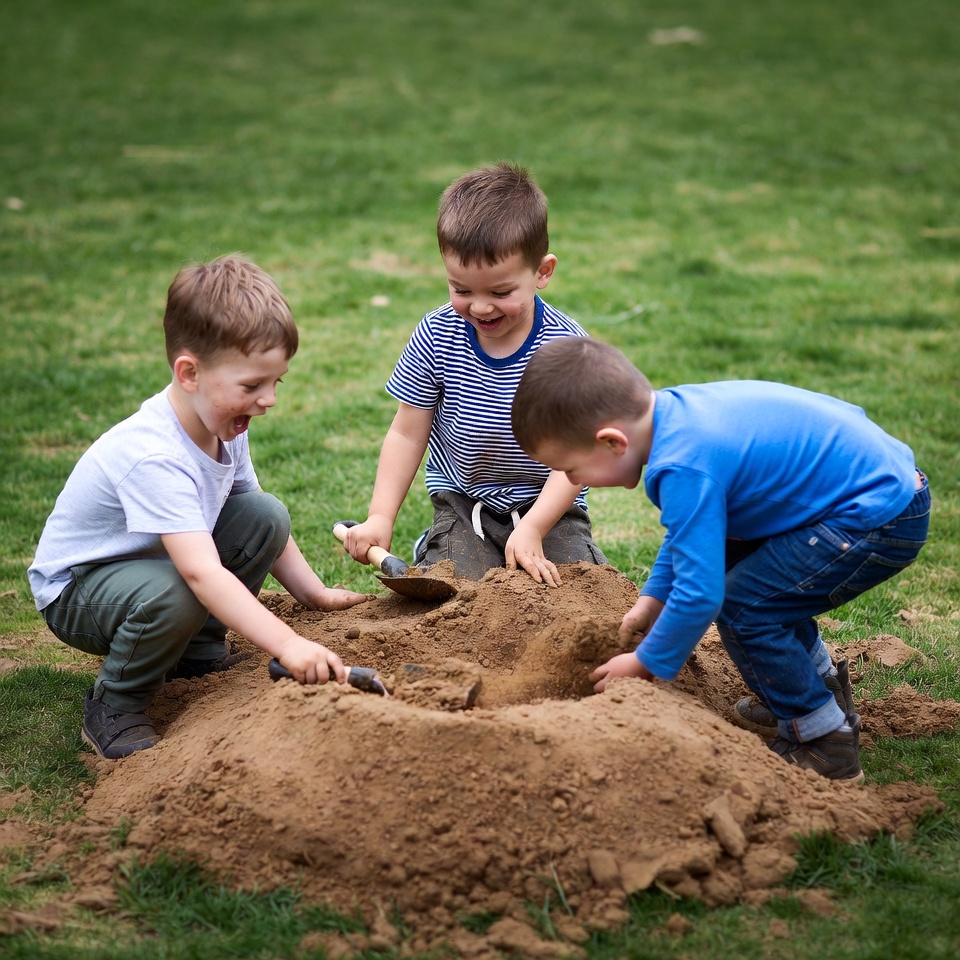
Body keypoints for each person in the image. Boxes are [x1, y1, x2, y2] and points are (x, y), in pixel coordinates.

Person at [511, 337, 930, 782]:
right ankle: (817, 687)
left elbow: (700, 596)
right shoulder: (673, 419)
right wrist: (652, 599)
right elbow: (693, 537)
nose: (572, 480)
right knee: (757, 585)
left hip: (873, 518)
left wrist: (645, 663)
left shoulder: (682, 466)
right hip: (874, 491)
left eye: (572, 468)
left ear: (612, 442)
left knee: (744, 607)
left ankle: (823, 740)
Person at [28, 255, 372, 760]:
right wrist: (288, 644)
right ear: (189, 373)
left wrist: (312, 593)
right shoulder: (155, 455)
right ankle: (115, 704)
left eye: (277, 382)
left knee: (264, 514)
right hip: (80, 590)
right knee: (183, 590)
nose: (269, 399)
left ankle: (197, 653)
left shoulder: (223, 425)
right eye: (252, 385)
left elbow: (249, 513)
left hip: (154, 569)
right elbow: (200, 574)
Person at [341, 162, 606, 584]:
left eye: (500, 292)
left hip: (549, 507)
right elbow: (408, 434)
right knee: (450, 590)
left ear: (542, 272)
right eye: (461, 289)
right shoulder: (435, 334)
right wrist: (379, 516)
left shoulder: (565, 348)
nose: (480, 307)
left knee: (576, 589)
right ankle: (439, 543)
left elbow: (577, 456)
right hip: (465, 504)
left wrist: (534, 527)